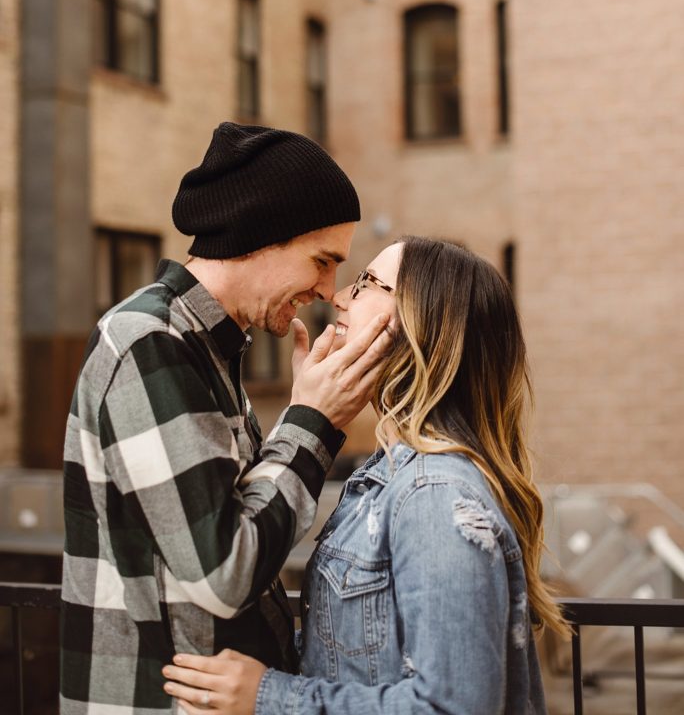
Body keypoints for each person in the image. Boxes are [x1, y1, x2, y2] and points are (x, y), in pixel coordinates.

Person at [60, 123, 391, 714]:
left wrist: (301, 416)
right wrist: (313, 422)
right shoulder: (149, 342)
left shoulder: (207, 346)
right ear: (258, 235)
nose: (327, 288)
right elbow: (223, 572)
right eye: (321, 261)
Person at [162, 236, 570, 715]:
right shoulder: (387, 476)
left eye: (367, 284)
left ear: (421, 323)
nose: (337, 296)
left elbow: (454, 706)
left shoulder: (434, 494)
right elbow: (354, 653)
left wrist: (268, 696)